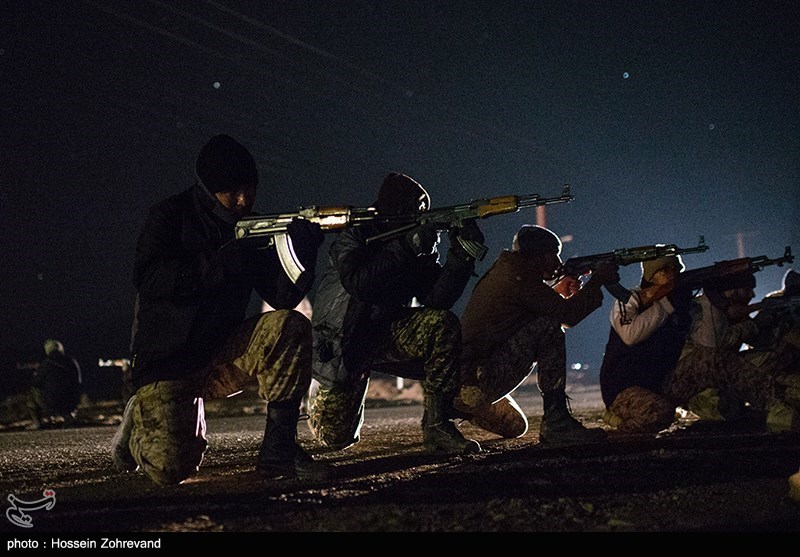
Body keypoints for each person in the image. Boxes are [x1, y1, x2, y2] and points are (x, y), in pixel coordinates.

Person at [110, 133, 330, 485]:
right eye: (232, 192)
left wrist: (304, 254)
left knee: (290, 326)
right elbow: (149, 278)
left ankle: (279, 451)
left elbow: (283, 297)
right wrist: (219, 265)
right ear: (210, 190)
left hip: (222, 355)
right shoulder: (169, 216)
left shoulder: (250, 227)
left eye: (249, 189)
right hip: (170, 362)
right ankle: (139, 415)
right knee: (170, 469)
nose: (243, 200)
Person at [308, 172, 483, 455]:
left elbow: (438, 300)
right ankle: (322, 394)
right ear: (399, 210)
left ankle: (437, 425)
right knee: (334, 438)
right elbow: (359, 284)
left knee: (442, 325)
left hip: (384, 334)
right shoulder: (355, 235)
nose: (422, 217)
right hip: (345, 342)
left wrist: (461, 256)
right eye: (417, 210)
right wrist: (407, 246)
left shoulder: (413, 245)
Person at [454, 224, 619, 444]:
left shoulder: (510, 271)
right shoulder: (517, 277)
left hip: (466, 380)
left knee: (516, 426)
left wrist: (556, 293)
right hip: (474, 379)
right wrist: (597, 281)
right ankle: (556, 421)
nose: (558, 263)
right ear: (538, 256)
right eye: (553, 255)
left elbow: (524, 313)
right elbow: (566, 317)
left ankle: (462, 408)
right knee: (549, 327)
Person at [599, 254, 695, 433]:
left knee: (712, 360)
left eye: (676, 270)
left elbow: (706, 342)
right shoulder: (630, 299)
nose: (672, 274)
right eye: (665, 270)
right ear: (650, 276)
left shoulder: (679, 302)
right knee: (660, 413)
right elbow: (630, 335)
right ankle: (619, 428)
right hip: (623, 388)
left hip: (659, 382)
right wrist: (666, 305)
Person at [27, 339, 83, 429]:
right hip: (71, 400)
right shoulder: (72, 362)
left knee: (33, 391)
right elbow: (78, 382)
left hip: (52, 402)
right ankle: (68, 416)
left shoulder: (45, 364)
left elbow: (36, 383)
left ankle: (39, 422)